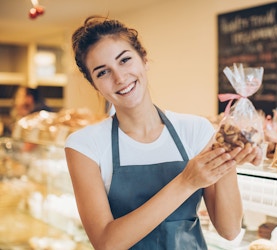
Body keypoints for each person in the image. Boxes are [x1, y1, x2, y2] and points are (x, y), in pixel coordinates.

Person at [65, 16, 262, 250]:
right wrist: (186, 182)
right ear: (94, 84)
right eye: (102, 72)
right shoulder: (84, 145)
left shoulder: (195, 130)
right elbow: (107, 243)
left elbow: (229, 230)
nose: (119, 77)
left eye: (125, 60)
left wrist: (228, 159)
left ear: (144, 59)